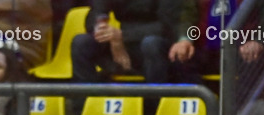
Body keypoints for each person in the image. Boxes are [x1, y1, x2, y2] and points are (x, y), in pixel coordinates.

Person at [70, 0, 199, 86]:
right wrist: (101, 27)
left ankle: (155, 114)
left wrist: (121, 37)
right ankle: (82, 114)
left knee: (150, 44)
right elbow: (96, 12)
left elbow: (167, 25)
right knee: (81, 43)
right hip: (123, 45)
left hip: (158, 44)